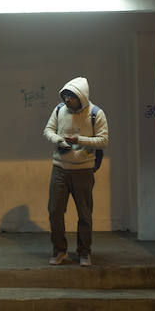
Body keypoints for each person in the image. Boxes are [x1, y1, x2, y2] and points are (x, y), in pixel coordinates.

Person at [42, 76, 109, 267]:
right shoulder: (59, 110)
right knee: (55, 211)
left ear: (81, 97)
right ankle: (59, 250)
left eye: (70, 97)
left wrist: (79, 140)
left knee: (85, 214)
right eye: (64, 96)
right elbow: (48, 130)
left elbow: (103, 140)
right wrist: (59, 141)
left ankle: (84, 252)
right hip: (60, 169)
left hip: (83, 171)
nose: (66, 100)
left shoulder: (96, 113)